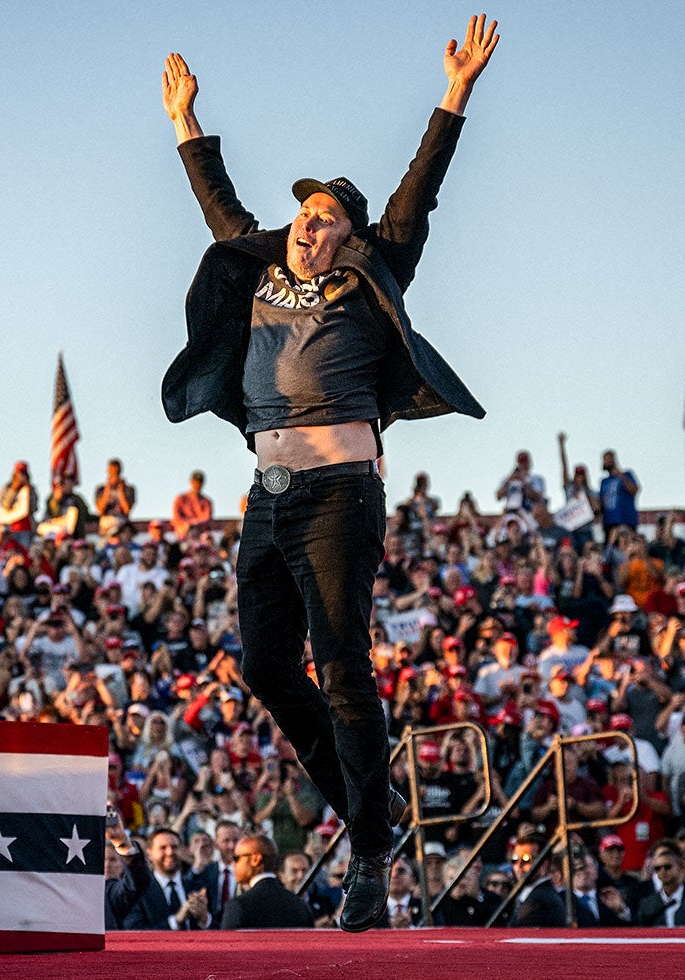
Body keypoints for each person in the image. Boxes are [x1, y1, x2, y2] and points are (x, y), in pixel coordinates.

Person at [159, 14, 499, 932]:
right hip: (267, 500)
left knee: (344, 667)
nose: (310, 227)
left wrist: (455, 92)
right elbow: (220, 211)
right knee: (266, 665)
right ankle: (366, 810)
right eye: (305, 214)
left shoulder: (372, 270)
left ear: (349, 236)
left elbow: (419, 193)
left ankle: (372, 861)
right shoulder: (264, 264)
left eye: (328, 219)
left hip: (340, 494)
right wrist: (187, 123)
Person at [221, 834, 314, 929]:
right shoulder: (300, 906)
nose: (233, 864)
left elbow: (227, 943)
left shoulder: (239, 906)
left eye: (237, 858)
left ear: (256, 859)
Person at [171, 470, 214, 540]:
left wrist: (195, 523)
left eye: (200, 482)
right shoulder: (180, 499)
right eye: (196, 481)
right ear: (191, 482)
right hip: (183, 534)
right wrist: (188, 524)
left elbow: (207, 519)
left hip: (201, 535)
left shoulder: (207, 502)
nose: (197, 484)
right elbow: (177, 517)